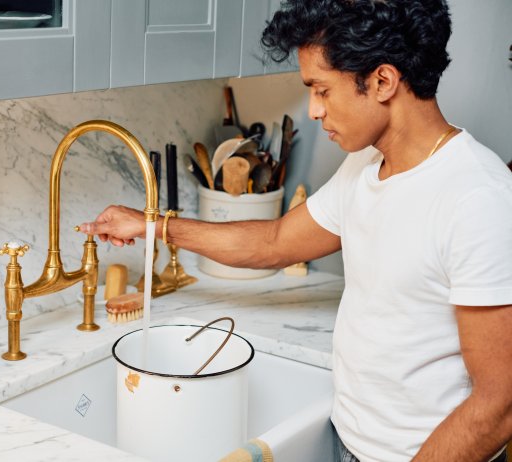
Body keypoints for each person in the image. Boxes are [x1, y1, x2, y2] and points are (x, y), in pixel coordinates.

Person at [79, 0, 512, 460]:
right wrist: (152, 225)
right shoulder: (367, 166)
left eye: (322, 90)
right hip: (347, 440)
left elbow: (499, 404)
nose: (314, 110)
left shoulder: (477, 198)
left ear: (383, 81)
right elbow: (275, 242)